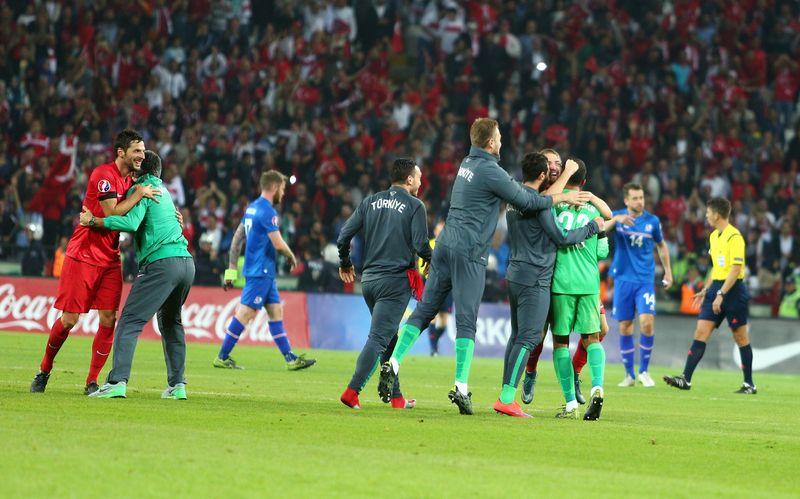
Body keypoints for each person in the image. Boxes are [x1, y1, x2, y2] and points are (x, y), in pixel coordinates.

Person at [379, 118, 590, 415]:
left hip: (444, 244)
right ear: (491, 143)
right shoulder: (491, 170)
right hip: (469, 252)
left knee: (425, 310)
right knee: (466, 321)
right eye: (500, 137)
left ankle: (395, 362)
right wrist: (562, 196)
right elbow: (527, 201)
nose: (502, 142)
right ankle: (461, 388)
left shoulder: (467, 162)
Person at [30, 129, 160, 395]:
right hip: (84, 255)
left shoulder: (131, 182)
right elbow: (112, 212)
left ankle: (92, 381)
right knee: (69, 320)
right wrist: (138, 195)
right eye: (137, 150)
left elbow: (140, 213)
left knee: (109, 318)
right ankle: (44, 370)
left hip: (111, 257)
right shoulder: (104, 175)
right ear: (121, 152)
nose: (141, 155)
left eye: (143, 151)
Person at [495, 152, 604, 418]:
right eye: (551, 166)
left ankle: (508, 392)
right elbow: (561, 236)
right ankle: (508, 397)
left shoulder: (515, 199)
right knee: (531, 337)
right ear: (542, 173)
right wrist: (592, 227)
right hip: (537, 277)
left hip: (516, 272)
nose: (555, 169)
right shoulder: (541, 204)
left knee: (518, 335)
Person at [82, 150, 195, 399]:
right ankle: (177, 386)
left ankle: (117, 382)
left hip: (162, 264)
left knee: (129, 321)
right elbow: (173, 222)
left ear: (140, 170)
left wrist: (96, 222)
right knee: (171, 322)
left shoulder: (143, 188)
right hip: (186, 263)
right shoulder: (164, 191)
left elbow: (131, 223)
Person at [337, 158, 432, 410]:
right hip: (395, 282)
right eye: (419, 177)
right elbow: (422, 245)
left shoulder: (370, 201)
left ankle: (397, 397)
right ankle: (352, 391)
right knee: (380, 337)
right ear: (409, 179)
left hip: (369, 281)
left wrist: (345, 262)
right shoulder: (415, 206)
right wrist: (434, 261)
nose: (421, 182)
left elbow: (344, 235)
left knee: (388, 337)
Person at [214, 171, 315, 371]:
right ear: (275, 187)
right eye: (283, 189)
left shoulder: (251, 208)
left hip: (263, 272)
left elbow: (236, 240)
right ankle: (222, 356)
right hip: (261, 271)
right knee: (246, 313)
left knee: (275, 311)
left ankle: (290, 359)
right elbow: (278, 244)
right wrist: (291, 255)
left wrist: (231, 272)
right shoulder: (268, 211)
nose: (284, 194)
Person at [664, 198, 756, 394]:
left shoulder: (735, 237)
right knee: (701, 332)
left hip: (733, 290)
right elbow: (717, 268)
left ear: (716, 214)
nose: (706, 215)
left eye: (708, 212)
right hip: (716, 288)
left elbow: (735, 268)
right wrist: (708, 289)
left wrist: (721, 294)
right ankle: (685, 379)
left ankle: (749, 383)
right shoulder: (714, 236)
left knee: (740, 337)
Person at [549, 159, 611, 420]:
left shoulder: (554, 206)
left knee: (561, 343)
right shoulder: (593, 213)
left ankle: (571, 403)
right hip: (588, 285)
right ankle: (597, 386)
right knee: (592, 339)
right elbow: (602, 252)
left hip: (561, 284)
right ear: (585, 183)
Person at [604, 183, 673, 388]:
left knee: (646, 322)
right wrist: (615, 220)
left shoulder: (652, 221)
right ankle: (629, 375)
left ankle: (643, 371)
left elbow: (661, 245)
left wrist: (668, 271)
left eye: (641, 197)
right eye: (635, 198)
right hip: (623, 279)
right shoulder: (617, 216)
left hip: (644, 280)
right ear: (626, 200)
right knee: (625, 326)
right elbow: (599, 228)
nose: (639, 201)